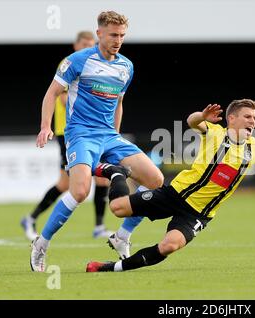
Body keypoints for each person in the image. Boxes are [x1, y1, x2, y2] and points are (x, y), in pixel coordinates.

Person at [85, 99, 255, 273]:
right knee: (117, 208)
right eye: (248, 116)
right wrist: (202, 117)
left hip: (198, 213)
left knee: (168, 246)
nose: (253, 121)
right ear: (232, 118)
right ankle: (116, 171)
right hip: (174, 194)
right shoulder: (215, 133)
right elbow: (192, 121)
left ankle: (109, 268)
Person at [30, 11, 164, 272]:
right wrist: (46, 127)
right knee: (79, 191)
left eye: (122, 36)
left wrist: (114, 136)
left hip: (109, 136)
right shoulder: (77, 61)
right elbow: (51, 94)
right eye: (113, 35)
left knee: (156, 181)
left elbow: (119, 104)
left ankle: (122, 236)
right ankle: (41, 244)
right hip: (80, 134)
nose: (118, 40)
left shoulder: (126, 66)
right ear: (99, 33)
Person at [21, 31, 115, 241]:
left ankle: (99, 226)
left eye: (90, 44)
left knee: (100, 180)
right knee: (66, 185)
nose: (87, 47)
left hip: (91, 132)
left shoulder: (94, 65)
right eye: (84, 44)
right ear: (75, 45)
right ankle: (31, 218)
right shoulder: (70, 63)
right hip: (70, 133)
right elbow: (63, 98)